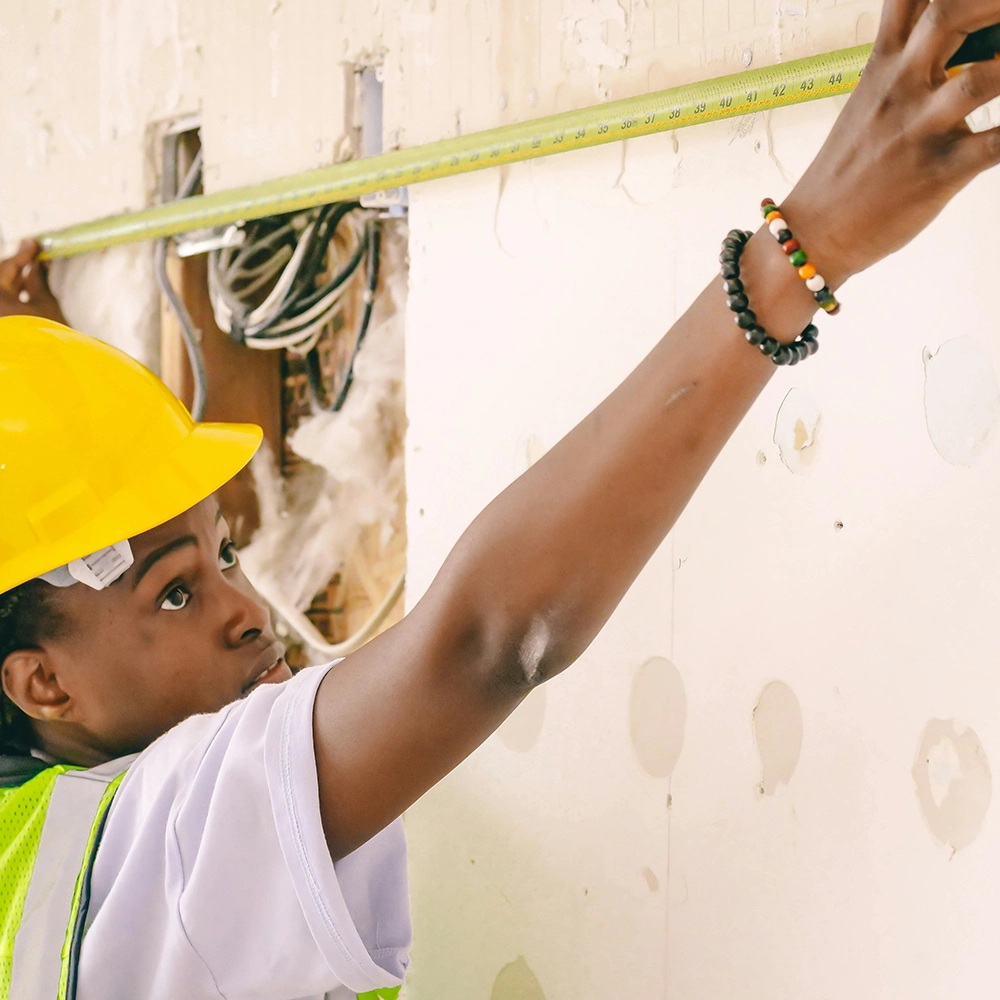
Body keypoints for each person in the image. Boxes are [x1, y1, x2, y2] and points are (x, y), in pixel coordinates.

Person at [2, 0, 1000, 996]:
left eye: (223, 555)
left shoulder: (26, 858)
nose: (247, 610)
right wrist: (804, 246)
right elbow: (488, 638)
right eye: (177, 592)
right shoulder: (166, 853)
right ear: (40, 684)